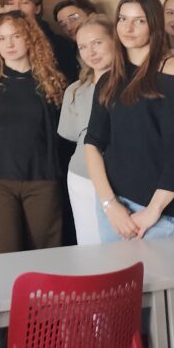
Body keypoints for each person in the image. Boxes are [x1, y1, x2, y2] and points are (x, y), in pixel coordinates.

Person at [85, 0, 174, 242]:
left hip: (159, 210)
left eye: (139, 20)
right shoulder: (109, 79)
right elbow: (93, 143)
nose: (128, 28)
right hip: (114, 207)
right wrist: (109, 204)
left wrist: (153, 211)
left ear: (154, 24)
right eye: (123, 18)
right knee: (115, 270)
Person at [0, 11, 67, 254]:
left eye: (16, 36)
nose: (9, 44)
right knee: (3, 252)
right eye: (1, 39)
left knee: (47, 252)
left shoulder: (49, 79)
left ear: (30, 37)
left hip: (42, 178)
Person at [57, 15, 115, 245]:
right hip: (82, 177)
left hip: (123, 179)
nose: (91, 52)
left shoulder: (133, 86)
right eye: (82, 47)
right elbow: (72, 135)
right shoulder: (75, 90)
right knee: (89, 245)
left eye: (97, 43)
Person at [0, 0, 80, 83]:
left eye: (24, 2)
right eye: (10, 3)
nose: (16, 8)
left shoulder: (59, 44)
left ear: (37, 8)